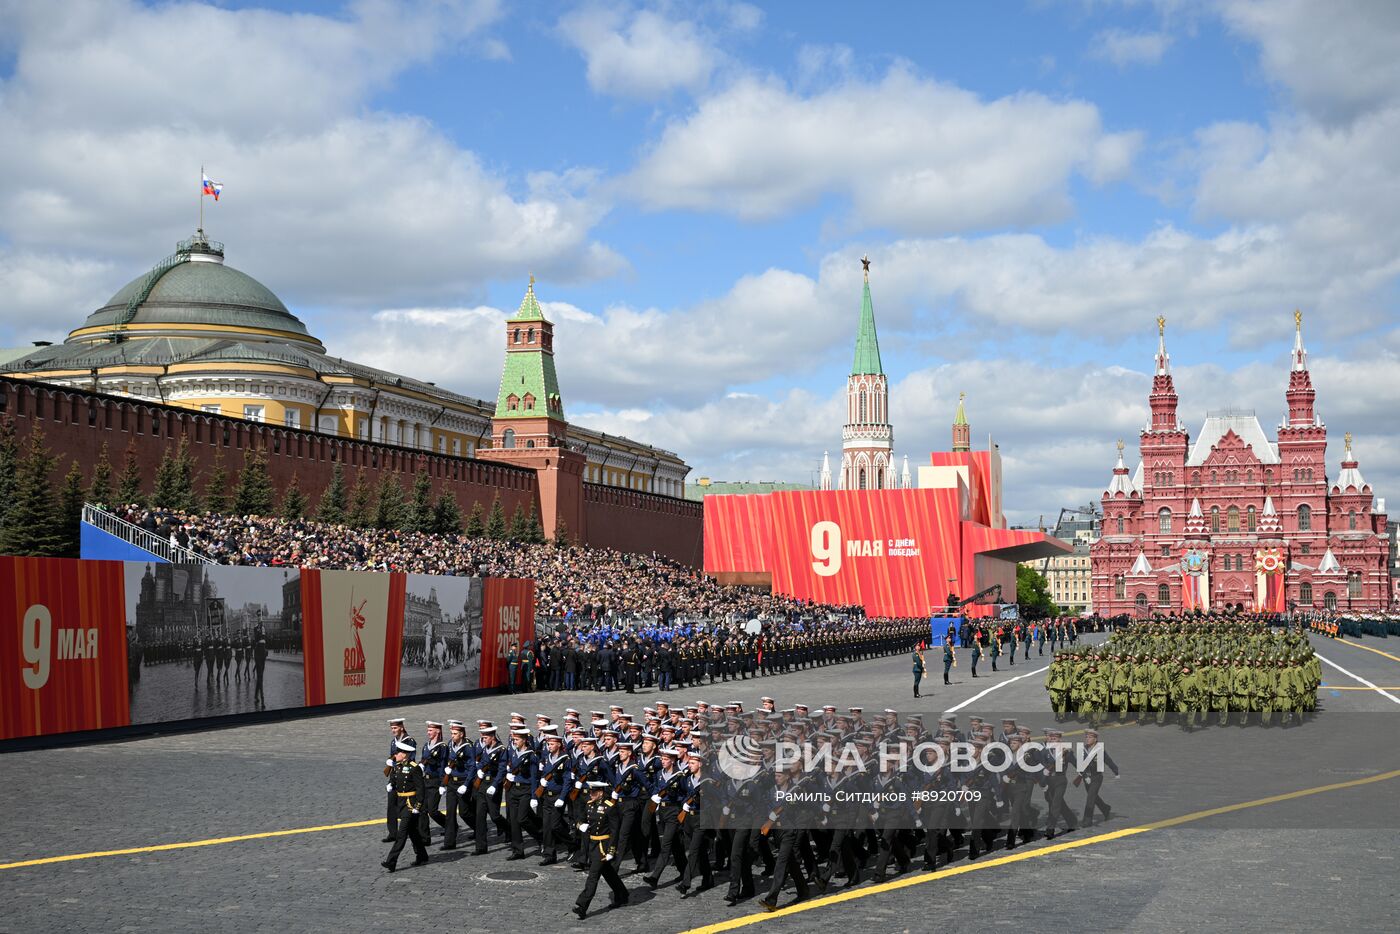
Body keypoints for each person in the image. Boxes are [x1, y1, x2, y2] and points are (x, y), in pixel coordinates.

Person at [573, 780, 630, 920]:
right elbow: (579, 819)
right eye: (590, 791)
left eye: (593, 792)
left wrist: (611, 851)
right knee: (608, 873)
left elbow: (615, 831)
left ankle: (582, 905)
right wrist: (580, 825)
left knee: (593, 876)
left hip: (602, 846)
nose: (590, 794)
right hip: (592, 844)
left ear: (600, 793)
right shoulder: (589, 805)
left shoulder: (609, 807)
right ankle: (622, 894)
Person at [381, 737, 430, 872]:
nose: (395, 754)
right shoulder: (397, 767)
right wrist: (391, 784)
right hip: (401, 803)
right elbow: (394, 778)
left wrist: (418, 806)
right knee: (413, 832)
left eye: (398, 753)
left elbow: (420, 789)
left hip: (410, 804)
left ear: (405, 755)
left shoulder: (414, 768)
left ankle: (391, 861)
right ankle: (422, 855)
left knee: (401, 834)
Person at [1073, 728, 1119, 827]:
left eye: (1090, 737)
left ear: (1095, 739)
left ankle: (1087, 821)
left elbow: (1108, 760)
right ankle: (1105, 808)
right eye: (1086, 737)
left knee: (1090, 798)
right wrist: (1085, 776)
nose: (1087, 739)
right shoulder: (1083, 749)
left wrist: (1116, 771)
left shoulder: (1100, 750)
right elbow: (1080, 765)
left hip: (1096, 777)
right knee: (1094, 797)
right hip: (1086, 778)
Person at [441, 720, 474, 850]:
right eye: (452, 733)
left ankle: (479, 828)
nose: (452, 736)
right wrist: (444, 780)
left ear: (461, 734)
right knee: (450, 812)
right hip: (451, 782)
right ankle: (449, 843)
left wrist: (466, 784)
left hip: (462, 782)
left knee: (464, 812)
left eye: (455, 733)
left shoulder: (468, 747)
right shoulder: (450, 744)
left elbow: (472, 767)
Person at [382, 717, 413, 843]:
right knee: (391, 805)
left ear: (401, 727)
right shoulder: (393, 742)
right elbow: (393, 757)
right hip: (394, 776)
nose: (393, 730)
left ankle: (412, 830)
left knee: (406, 806)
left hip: (405, 777)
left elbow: (410, 759)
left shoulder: (409, 741)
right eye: (392, 728)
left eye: (395, 728)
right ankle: (392, 833)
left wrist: (394, 763)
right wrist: (391, 779)